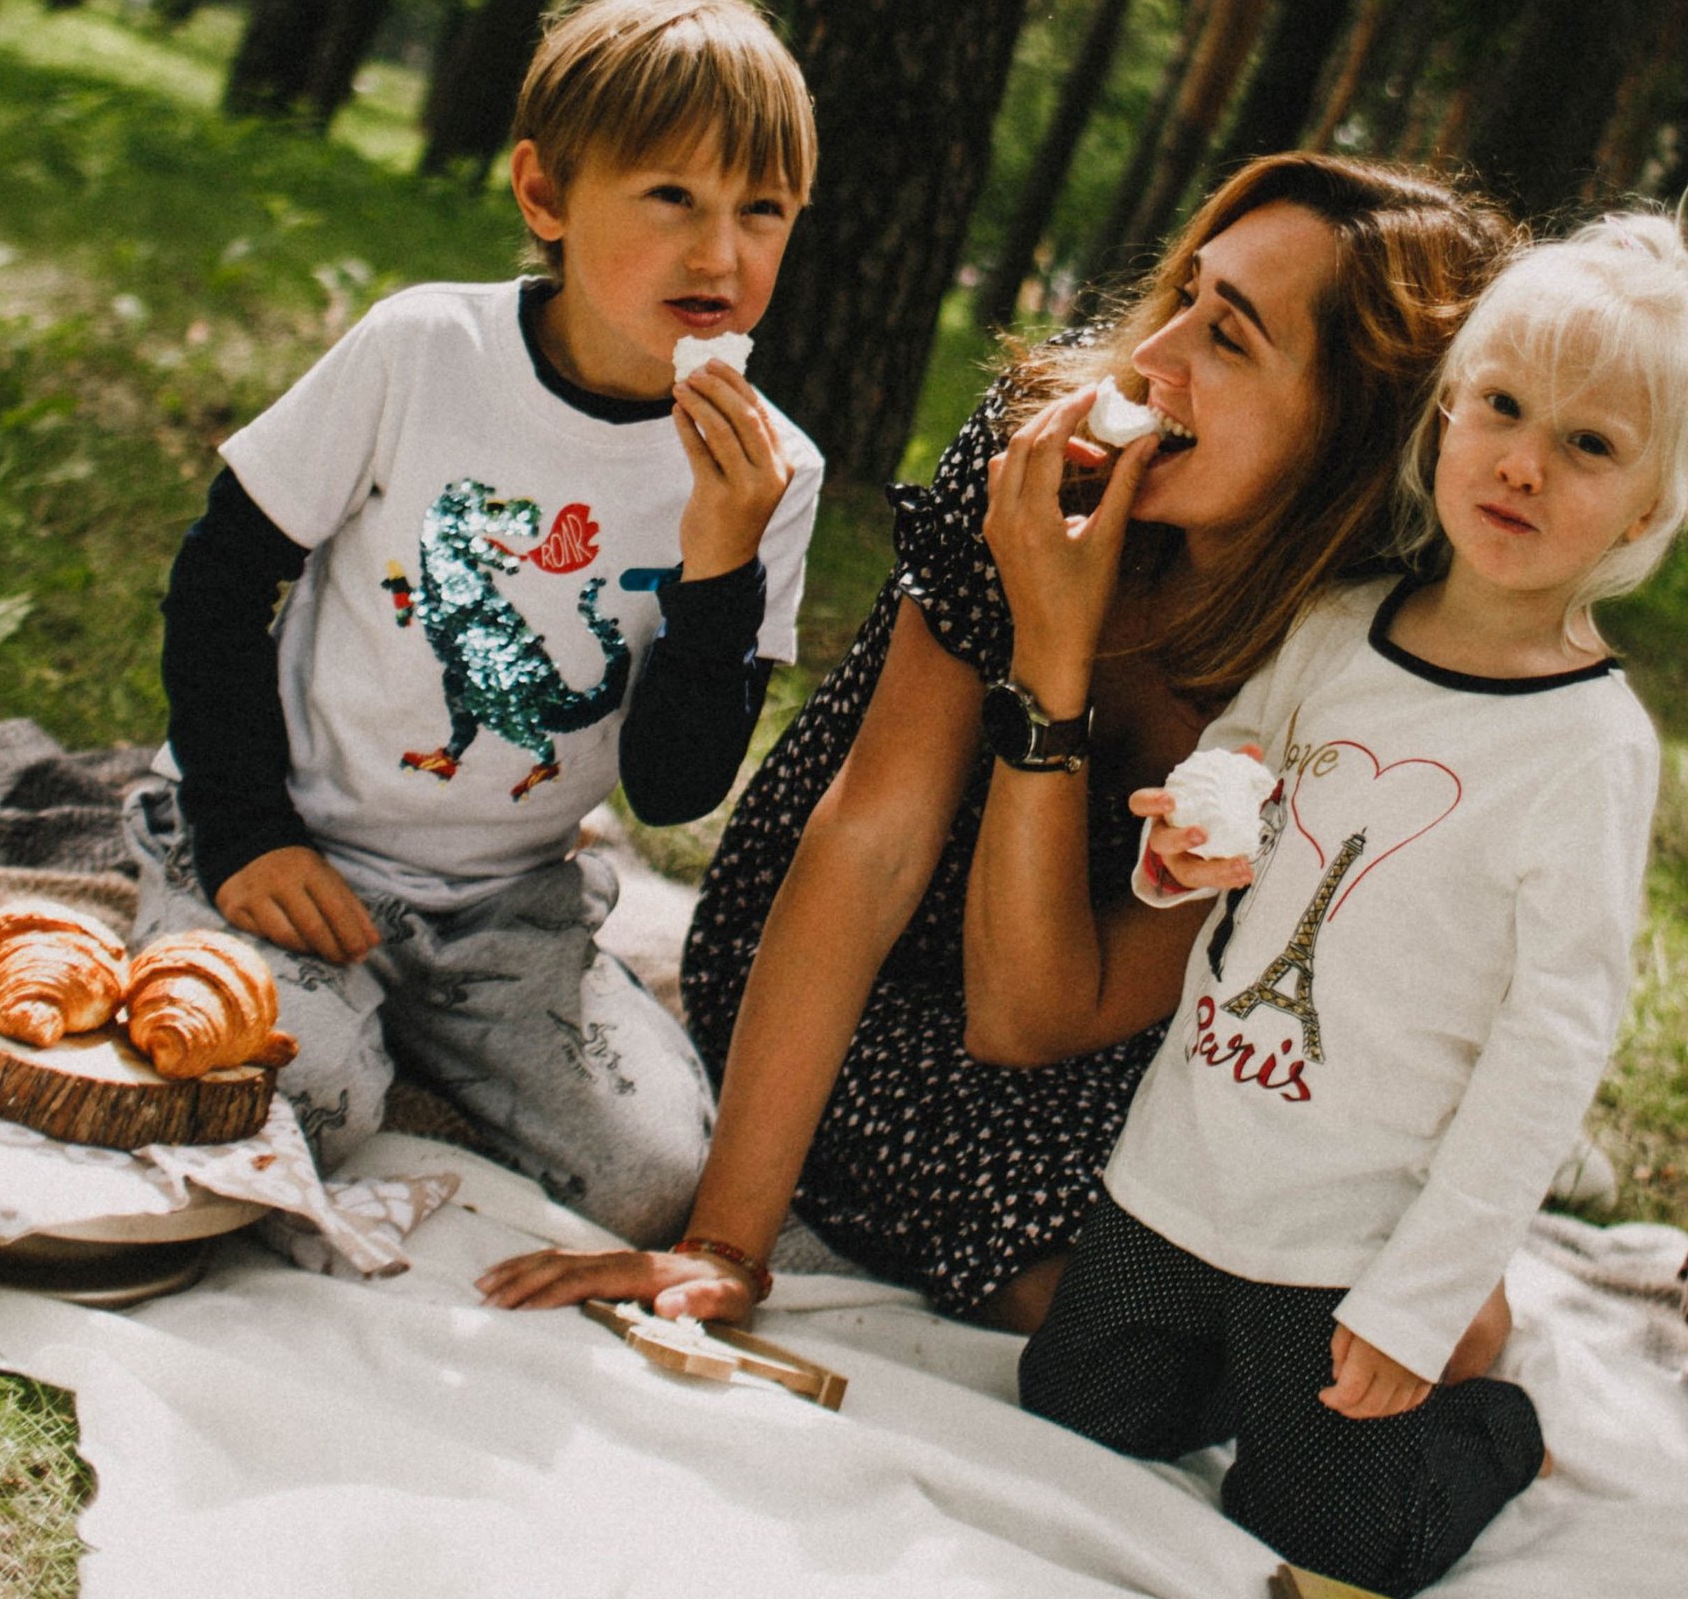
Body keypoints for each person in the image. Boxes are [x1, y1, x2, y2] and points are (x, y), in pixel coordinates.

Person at [479, 155, 1510, 1332]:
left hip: (1096, 1020)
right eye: (1183, 294)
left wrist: (1055, 662)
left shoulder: (1359, 671)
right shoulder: (1036, 459)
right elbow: (872, 849)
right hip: (852, 971)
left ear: (1355, 437)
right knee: (1091, 1306)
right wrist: (725, 1242)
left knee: (1426, 1323)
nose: (1153, 359)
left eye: (1228, 340)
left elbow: (1051, 1016)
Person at [1013, 209, 1688, 1599]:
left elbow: (1553, 1046)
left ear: (1650, 510)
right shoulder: (1346, 626)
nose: (1525, 463)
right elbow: (1239, 752)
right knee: (1080, 1411)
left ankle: (1495, 1429)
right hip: (1188, 1161)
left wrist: (1420, 1302)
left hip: (1352, 1237)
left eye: (1589, 447)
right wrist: (1190, 842)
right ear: (1448, 416)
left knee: (1327, 1530)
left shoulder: (1589, 749)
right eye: (1504, 411)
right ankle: (1228, 1373)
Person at [131, 0, 822, 1240]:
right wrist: (241, 832)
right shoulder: (422, 352)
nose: (720, 253)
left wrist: (718, 563)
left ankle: (406, 1031)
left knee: (656, 1181)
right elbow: (220, 579)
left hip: (500, 904)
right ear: (546, 195)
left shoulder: (771, 472)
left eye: (762, 210)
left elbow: (671, 791)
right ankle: (321, 1014)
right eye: (671, 195)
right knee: (296, 1106)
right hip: (293, 840)